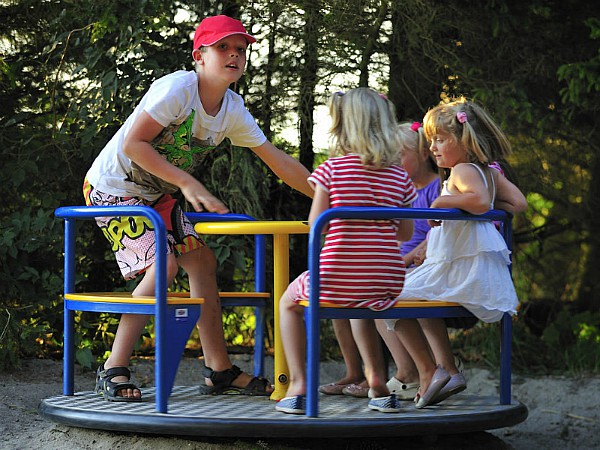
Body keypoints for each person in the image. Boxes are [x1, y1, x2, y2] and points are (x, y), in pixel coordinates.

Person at [83, 15, 313, 402]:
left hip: (156, 196)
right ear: (200, 55)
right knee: (166, 265)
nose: (234, 55)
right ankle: (112, 367)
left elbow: (276, 160)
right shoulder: (178, 88)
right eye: (223, 47)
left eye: (241, 49)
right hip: (114, 188)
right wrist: (188, 182)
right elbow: (134, 146)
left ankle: (218, 369)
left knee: (202, 262)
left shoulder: (232, 110)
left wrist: (330, 194)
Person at [275, 88, 417, 415]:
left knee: (288, 302)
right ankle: (378, 385)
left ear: (343, 125)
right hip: (384, 281)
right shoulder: (399, 176)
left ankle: (298, 387)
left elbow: (317, 226)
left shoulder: (332, 170)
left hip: (336, 278)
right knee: (362, 307)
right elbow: (405, 233)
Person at [386, 98, 528, 408]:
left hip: (461, 269)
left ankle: (441, 369)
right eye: (431, 140)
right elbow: (518, 204)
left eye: (440, 139)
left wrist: (443, 204)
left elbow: (477, 201)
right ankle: (445, 369)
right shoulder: (488, 172)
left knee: (390, 298)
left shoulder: (462, 170)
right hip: (470, 267)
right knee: (418, 297)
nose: (433, 147)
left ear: (463, 140)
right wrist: (481, 209)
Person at [319, 121, 440, 400]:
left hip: (412, 265)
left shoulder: (433, 189)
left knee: (373, 300)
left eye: (401, 156)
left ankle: (403, 371)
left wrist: (407, 257)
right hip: (394, 263)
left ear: (423, 153)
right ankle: (357, 372)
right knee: (343, 300)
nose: (395, 162)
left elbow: (440, 232)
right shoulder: (399, 188)